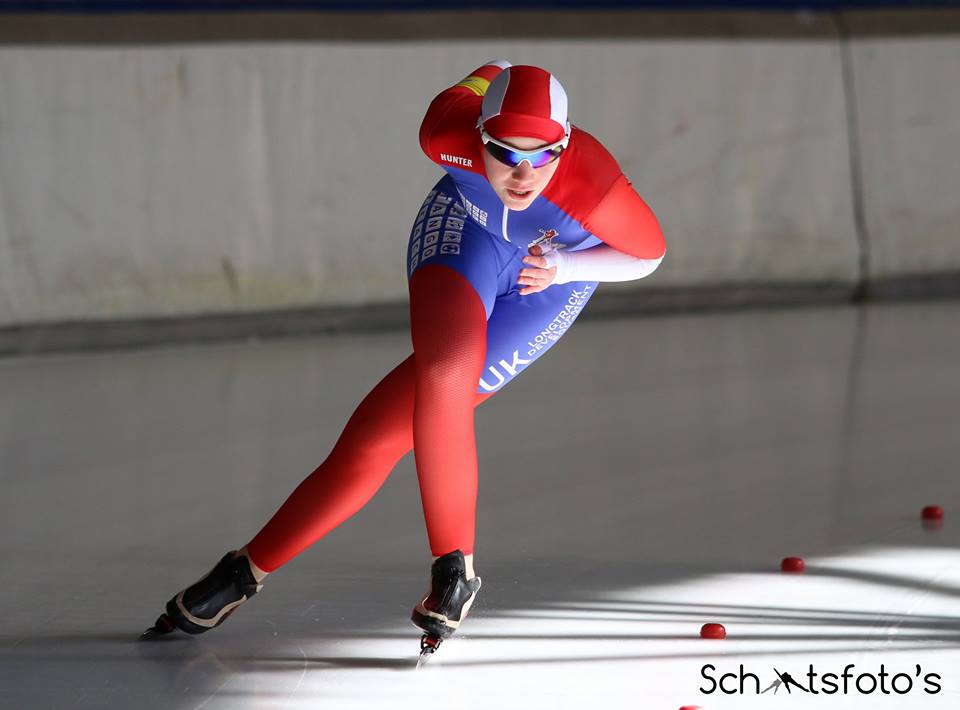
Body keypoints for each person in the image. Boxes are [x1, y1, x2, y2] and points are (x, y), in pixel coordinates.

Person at [143, 61, 666, 649]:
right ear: (478, 135)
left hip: (552, 274)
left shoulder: (591, 184)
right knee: (444, 372)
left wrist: (567, 266)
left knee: (380, 435)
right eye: (503, 151)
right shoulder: (445, 133)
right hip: (465, 231)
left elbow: (649, 255)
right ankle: (445, 569)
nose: (522, 173)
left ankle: (252, 572)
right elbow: (480, 76)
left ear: (563, 146)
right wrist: (492, 70)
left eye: (541, 154)